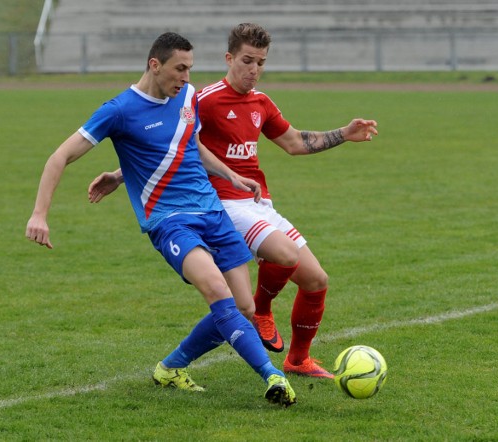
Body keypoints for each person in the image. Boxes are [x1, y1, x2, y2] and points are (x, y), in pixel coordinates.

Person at [88, 23, 378, 379]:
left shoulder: (261, 103)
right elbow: (169, 144)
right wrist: (120, 175)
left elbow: (295, 143)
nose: (253, 70)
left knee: (317, 279)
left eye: (260, 63)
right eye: (247, 61)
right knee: (283, 257)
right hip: (221, 203)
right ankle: (262, 311)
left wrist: (344, 134)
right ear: (229, 58)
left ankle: (298, 360)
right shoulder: (203, 99)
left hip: (257, 202)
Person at [25, 32, 296, 407]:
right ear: (155, 65)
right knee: (218, 292)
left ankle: (170, 368)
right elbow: (60, 156)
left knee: (244, 307)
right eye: (179, 69)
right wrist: (40, 214)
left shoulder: (186, 97)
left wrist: (230, 175)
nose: (186, 78)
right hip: (170, 221)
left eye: (190, 69)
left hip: (213, 212)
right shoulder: (119, 110)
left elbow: (188, 144)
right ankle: (273, 376)